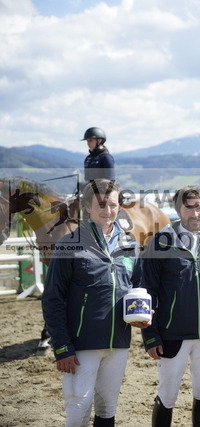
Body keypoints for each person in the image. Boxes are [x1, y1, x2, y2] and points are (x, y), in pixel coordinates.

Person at [41, 179, 149, 427]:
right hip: (81, 346)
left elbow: (137, 290)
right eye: (100, 204)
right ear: (87, 207)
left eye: (112, 204)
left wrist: (142, 313)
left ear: (119, 206)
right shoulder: (69, 245)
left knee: (107, 408)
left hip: (118, 344)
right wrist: (62, 346)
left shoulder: (131, 246)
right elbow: (52, 298)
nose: (107, 210)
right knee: (78, 408)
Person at [142, 185, 200, 427]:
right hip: (172, 335)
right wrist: (150, 335)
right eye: (189, 207)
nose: (195, 213)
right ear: (178, 210)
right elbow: (147, 291)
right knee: (168, 394)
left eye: (199, 207)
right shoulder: (160, 243)